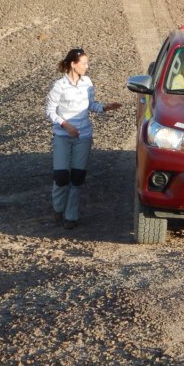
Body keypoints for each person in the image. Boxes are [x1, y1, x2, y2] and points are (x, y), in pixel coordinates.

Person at [45, 47, 121, 229]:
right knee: (61, 176)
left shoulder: (87, 83)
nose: (87, 66)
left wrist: (104, 108)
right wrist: (65, 124)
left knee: (77, 177)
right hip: (63, 136)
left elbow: (91, 105)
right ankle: (58, 207)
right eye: (84, 63)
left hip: (83, 136)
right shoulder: (59, 86)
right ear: (73, 64)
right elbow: (50, 111)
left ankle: (71, 216)